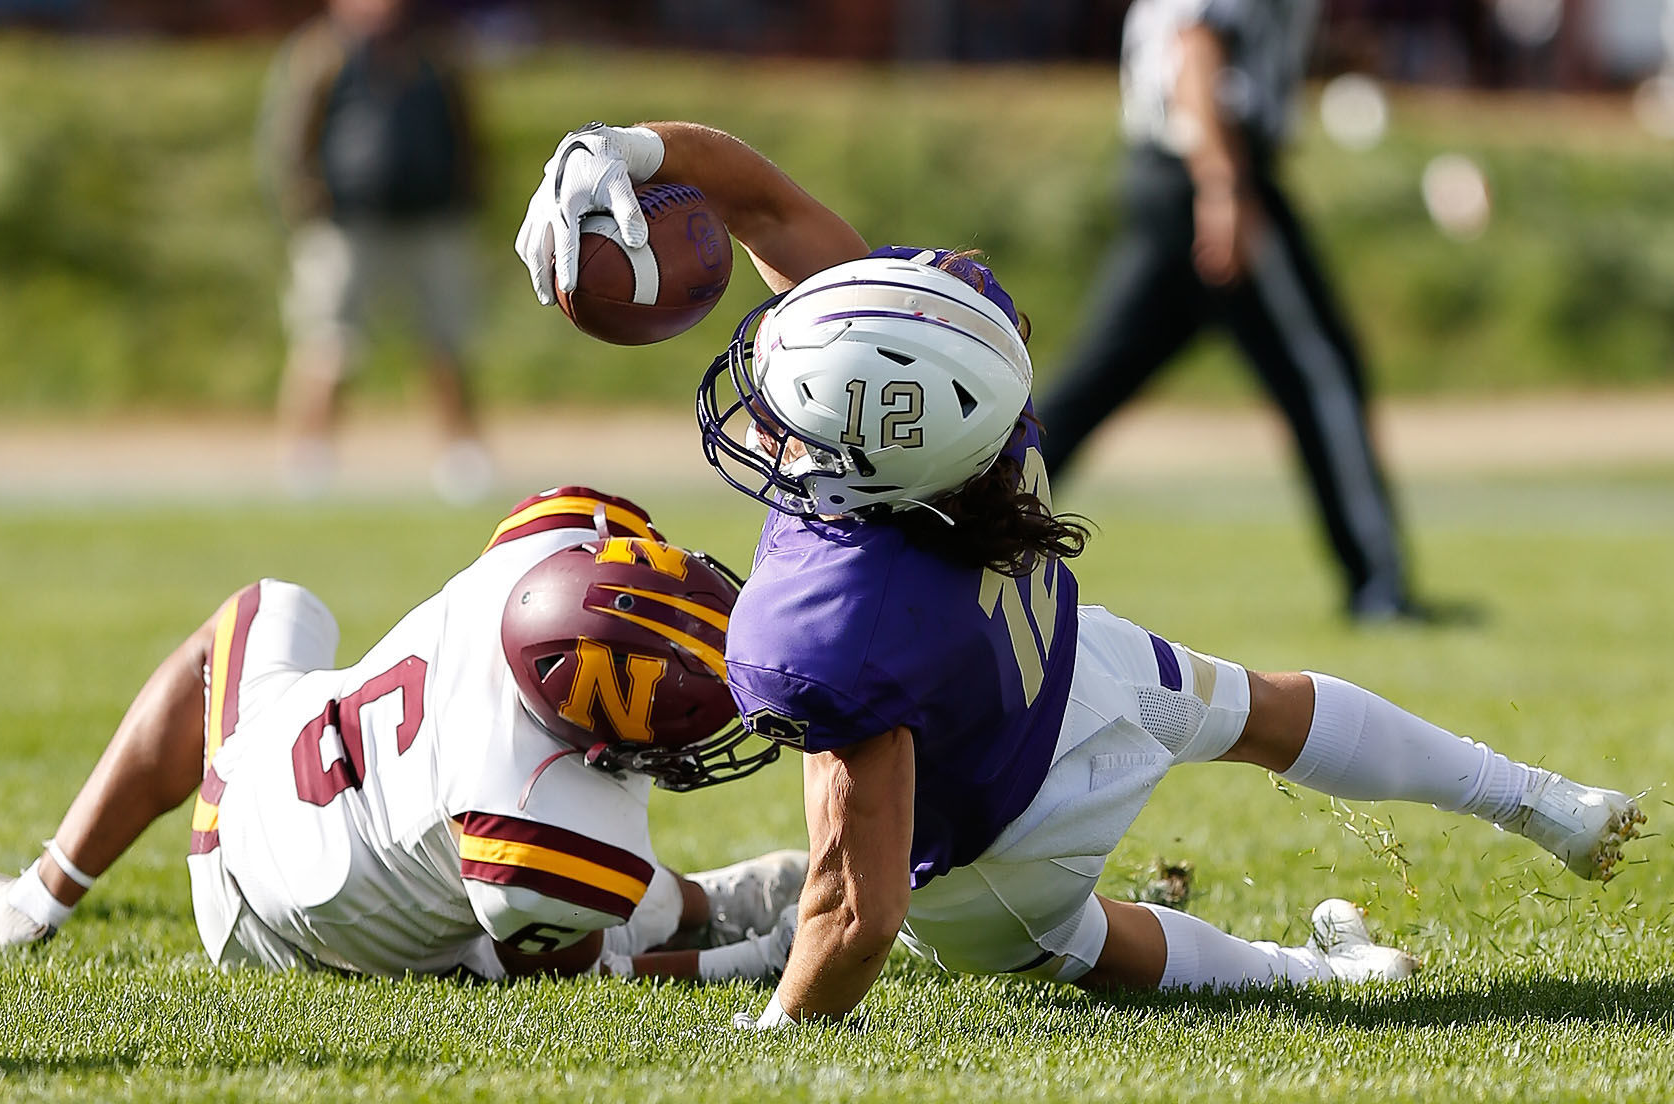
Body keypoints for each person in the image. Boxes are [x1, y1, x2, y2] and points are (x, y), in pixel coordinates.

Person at [513, 121, 1646, 1028]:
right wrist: (633, 152)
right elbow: (762, 205)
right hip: (1079, 666)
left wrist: (783, 1040)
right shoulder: (965, 386)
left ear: (857, 463)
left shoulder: (820, 621)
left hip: (998, 845)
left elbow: (856, 912)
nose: (761, 405)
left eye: (787, 412)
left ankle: (1316, 977)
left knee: (1081, 942)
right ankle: (1541, 801)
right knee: (1267, 706)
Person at [0, 485, 803, 984]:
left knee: (269, 608)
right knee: (545, 936)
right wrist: (757, 968)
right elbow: (572, 979)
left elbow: (601, 536)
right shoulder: (542, 808)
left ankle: (38, 897)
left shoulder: (546, 551)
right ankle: (19, 915)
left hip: (291, 761)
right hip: (265, 912)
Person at [1034, 0, 1430, 622]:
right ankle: (1379, 586)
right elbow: (1195, 42)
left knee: (1091, 386)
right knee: (1322, 373)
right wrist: (1224, 187)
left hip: (1171, 173)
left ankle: (956, 529)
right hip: (1213, 171)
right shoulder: (1222, 175)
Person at [261, 0, 492, 502]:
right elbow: (291, 136)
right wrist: (306, 204)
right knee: (327, 342)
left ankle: (461, 456)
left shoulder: (436, 53)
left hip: (431, 219)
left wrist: (467, 194)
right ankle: (309, 455)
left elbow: (466, 130)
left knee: (444, 343)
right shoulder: (321, 53)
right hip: (348, 223)